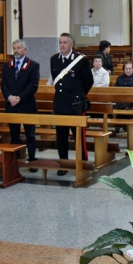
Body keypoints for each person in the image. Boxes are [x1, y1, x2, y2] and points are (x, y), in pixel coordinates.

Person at [50, 33, 94, 175]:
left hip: (75, 104)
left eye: (65, 42)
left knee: (78, 136)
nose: (62, 45)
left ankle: (83, 163)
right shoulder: (54, 59)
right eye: (60, 42)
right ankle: (63, 164)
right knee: (61, 136)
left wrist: (79, 95)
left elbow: (89, 81)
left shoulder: (81, 60)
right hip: (60, 103)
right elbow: (57, 82)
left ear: (71, 44)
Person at [0, 39, 40, 170]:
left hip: (27, 105)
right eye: (14, 48)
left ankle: (32, 160)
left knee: (30, 134)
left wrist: (20, 98)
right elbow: (4, 84)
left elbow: (33, 85)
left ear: (25, 50)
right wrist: (10, 97)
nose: (16, 51)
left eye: (19, 48)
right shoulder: (7, 66)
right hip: (11, 105)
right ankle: (15, 160)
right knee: (14, 134)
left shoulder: (33, 65)